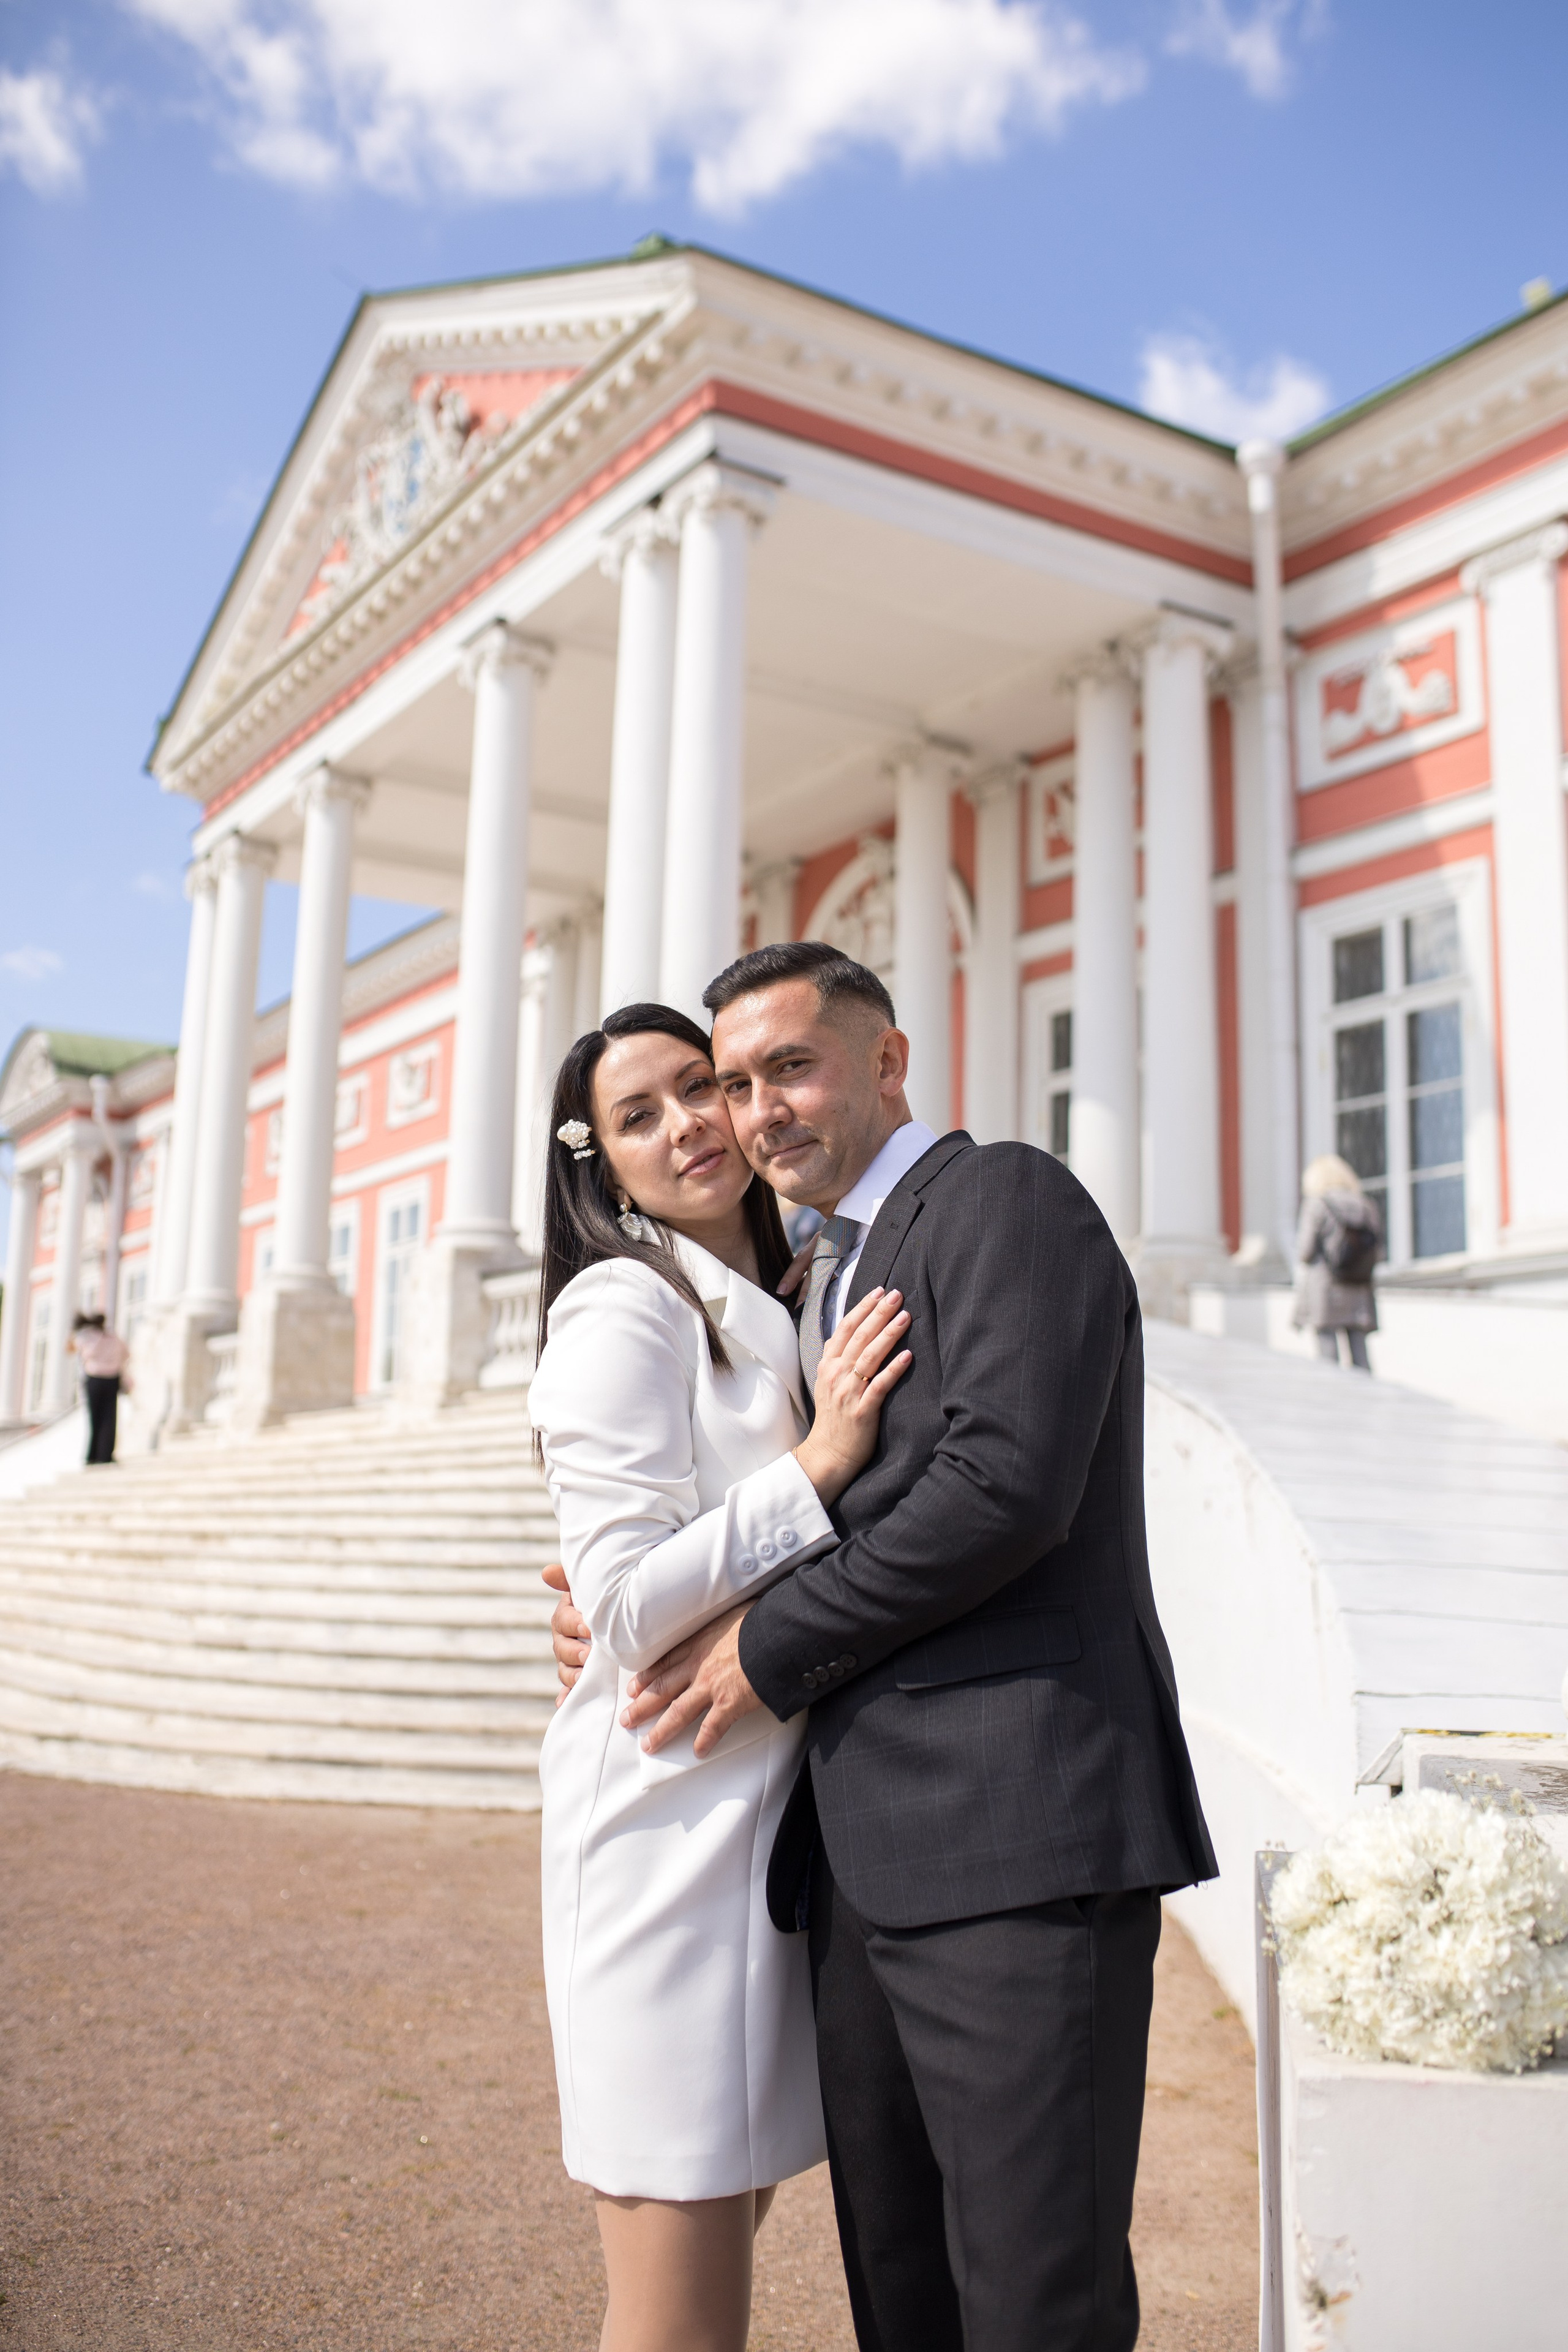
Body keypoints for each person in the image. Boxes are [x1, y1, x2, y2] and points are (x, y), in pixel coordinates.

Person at [556, 942, 1218, 2352]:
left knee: (1033, 2302)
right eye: (732, 1082)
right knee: (901, 2301)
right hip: (855, 1873)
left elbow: (1004, 1486)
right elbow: (754, 1507)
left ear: (887, 1059)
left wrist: (759, 1642)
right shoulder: (804, 1282)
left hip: (1015, 1839)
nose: (754, 1109)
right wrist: (638, 1604)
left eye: (785, 1066)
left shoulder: (999, 1197)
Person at [526, 1000, 913, 2352]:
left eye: (700, 1087)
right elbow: (628, 1602)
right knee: (677, 2321)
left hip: (754, 1852)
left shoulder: (781, 1292)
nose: (688, 1123)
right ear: (603, 1166)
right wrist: (820, 1466)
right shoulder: (621, 1306)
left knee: (706, 2270)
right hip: (656, 1854)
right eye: (638, 1115)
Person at [1292, 1153, 1381, 1371]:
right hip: (1358, 1286)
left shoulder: (1317, 1205)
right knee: (1360, 1357)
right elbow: (1378, 1250)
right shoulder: (1366, 1205)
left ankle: (1333, 1403)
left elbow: (1305, 1251)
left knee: (1328, 1356)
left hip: (1326, 1288)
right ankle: (1366, 1401)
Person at [70, 1311, 132, 1464]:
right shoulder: (114, 1338)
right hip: (112, 1378)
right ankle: (105, 1455)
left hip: (95, 1379)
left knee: (95, 1418)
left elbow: (71, 1349)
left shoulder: (87, 1337)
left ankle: (93, 1455)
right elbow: (127, 1354)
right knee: (109, 1418)